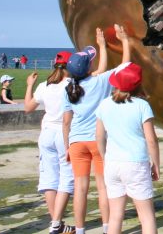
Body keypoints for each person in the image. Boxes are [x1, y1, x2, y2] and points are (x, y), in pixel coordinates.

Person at [63, 25, 131, 234]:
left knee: (80, 189)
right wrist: (125, 41)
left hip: (76, 143)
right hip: (98, 142)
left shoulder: (69, 88)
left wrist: (67, 147)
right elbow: (125, 65)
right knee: (103, 187)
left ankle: (81, 229)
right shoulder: (100, 82)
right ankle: (106, 228)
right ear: (88, 68)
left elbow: (66, 122)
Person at [96, 62, 160, 234]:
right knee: (146, 216)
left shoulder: (105, 104)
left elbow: (99, 136)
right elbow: (151, 140)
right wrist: (156, 164)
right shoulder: (142, 105)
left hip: (112, 163)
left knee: (115, 216)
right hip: (136, 163)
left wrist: (104, 158)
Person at [25, 51, 76, 234]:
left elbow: (28, 108)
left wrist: (29, 85)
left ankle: (57, 223)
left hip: (46, 134)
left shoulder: (44, 85)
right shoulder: (72, 85)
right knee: (66, 178)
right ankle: (56, 223)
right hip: (65, 133)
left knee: (49, 179)